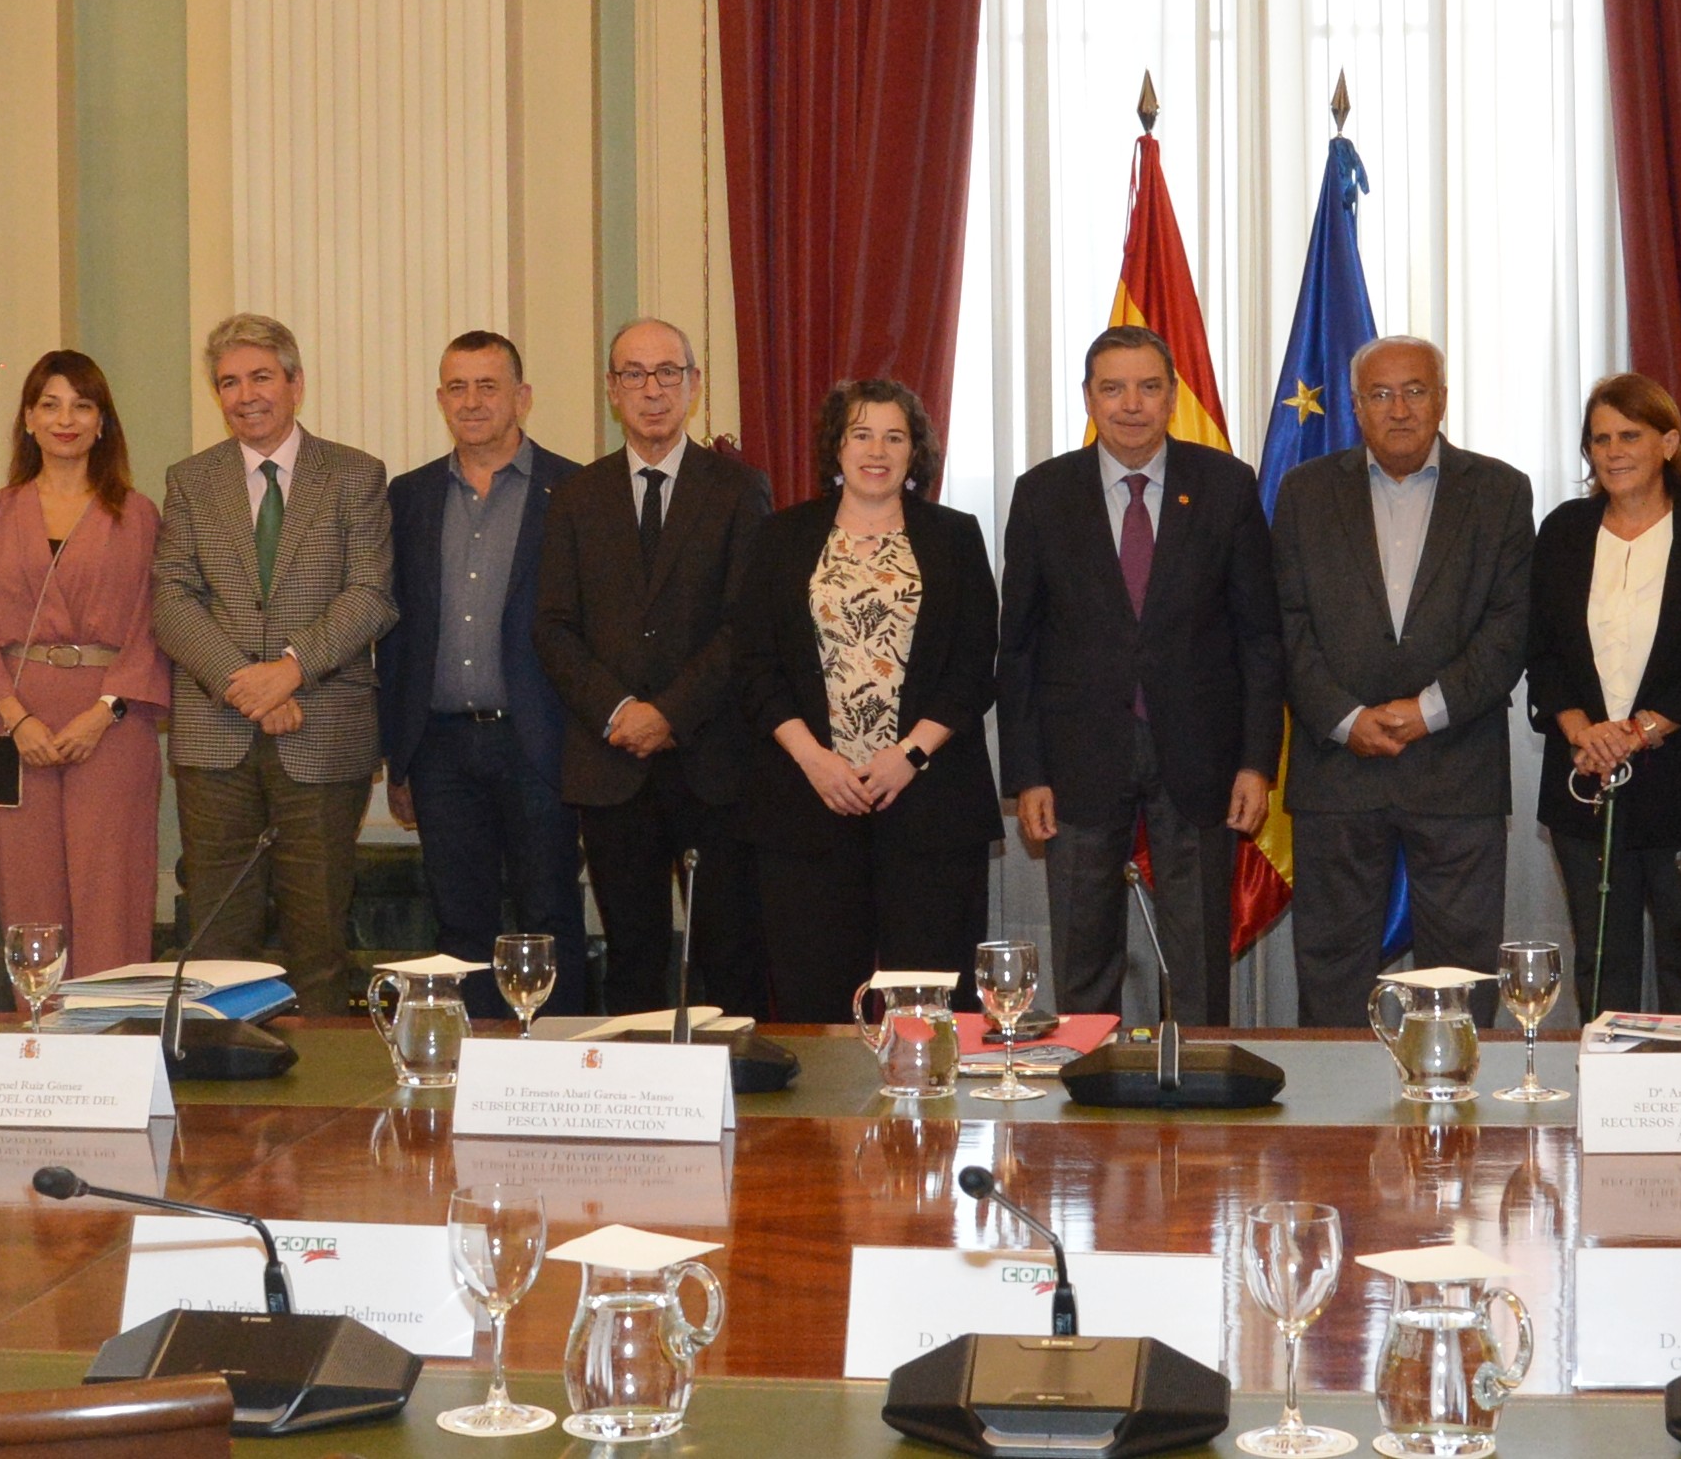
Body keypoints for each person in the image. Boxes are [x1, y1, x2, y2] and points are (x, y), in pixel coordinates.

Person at [996, 327, 1280, 1023]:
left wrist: (1256, 763)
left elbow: (1260, 638)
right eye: (1113, 388)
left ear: (1173, 396)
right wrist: (1028, 774)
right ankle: (1087, 1083)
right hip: (1078, 759)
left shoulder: (1226, 485)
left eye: (1148, 387)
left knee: (1199, 958)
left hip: (1200, 755)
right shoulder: (1042, 493)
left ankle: (1203, 1078)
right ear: (1088, 398)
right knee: (1082, 957)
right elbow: (1019, 647)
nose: (1131, 405)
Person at [1273, 336, 1534, 1028]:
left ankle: (1456, 1098)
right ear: (1355, 406)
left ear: (1442, 400)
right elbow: (1285, 624)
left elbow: (1509, 627)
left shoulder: (1501, 491)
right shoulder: (1304, 492)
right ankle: (1336, 1101)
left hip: (1457, 767)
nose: (1399, 409)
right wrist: (1345, 719)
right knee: (1331, 974)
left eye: (1415, 391)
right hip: (1337, 769)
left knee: (1461, 977)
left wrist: (1428, 711)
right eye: (1380, 394)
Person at [149, 314, 395, 1015]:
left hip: (323, 733)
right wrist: (247, 686)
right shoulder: (190, 480)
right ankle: (223, 1073)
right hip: (216, 739)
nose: (245, 395)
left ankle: (322, 1079)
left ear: (296, 383)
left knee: (318, 941)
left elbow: (371, 594)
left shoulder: (355, 475)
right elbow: (171, 599)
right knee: (218, 940)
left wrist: (289, 670)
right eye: (229, 382)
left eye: (260, 377)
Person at [733, 381, 1001, 1022]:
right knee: (816, 1004)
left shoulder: (955, 537)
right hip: (808, 806)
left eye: (893, 437)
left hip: (930, 807)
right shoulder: (780, 537)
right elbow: (755, 666)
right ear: (837, 447)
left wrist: (909, 755)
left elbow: (974, 667)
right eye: (861, 434)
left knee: (928, 1007)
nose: (876, 451)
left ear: (915, 453)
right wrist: (814, 760)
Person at [533, 318, 777, 1017]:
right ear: (612, 390)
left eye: (668, 372)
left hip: (711, 762)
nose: (652, 390)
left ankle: (737, 1081)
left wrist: (668, 712)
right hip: (610, 765)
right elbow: (553, 626)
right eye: (634, 374)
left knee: (729, 955)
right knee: (633, 959)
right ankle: (635, 1082)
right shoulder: (576, 496)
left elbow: (745, 625)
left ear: (693, 385)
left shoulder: (738, 490)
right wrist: (620, 711)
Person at [1523, 374, 1681, 1017]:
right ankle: (1604, 1084)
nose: (1614, 451)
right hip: (1585, 782)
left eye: (1630, 435)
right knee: (1602, 968)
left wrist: (1637, 732)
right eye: (1600, 440)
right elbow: (1540, 653)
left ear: (1669, 443)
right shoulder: (1564, 530)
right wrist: (1582, 732)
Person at [384, 333, 586, 1019]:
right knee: (458, 925)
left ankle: (556, 1066)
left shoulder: (575, 490)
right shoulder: (409, 496)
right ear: (441, 400)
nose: (471, 402)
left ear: (521, 398)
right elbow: (396, 632)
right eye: (457, 387)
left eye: (487, 386)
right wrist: (398, 756)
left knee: (550, 915)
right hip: (439, 748)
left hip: (539, 742)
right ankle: (466, 1067)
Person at [0, 351, 170, 977]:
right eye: (49, 405)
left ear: (103, 422)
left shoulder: (137, 513)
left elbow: (154, 622)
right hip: (14, 719)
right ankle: (40, 1025)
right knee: (27, 889)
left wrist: (103, 713)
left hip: (112, 721)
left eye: (82, 405)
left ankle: (110, 1025)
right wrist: (16, 718)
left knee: (112, 885)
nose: (65, 419)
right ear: (28, 419)